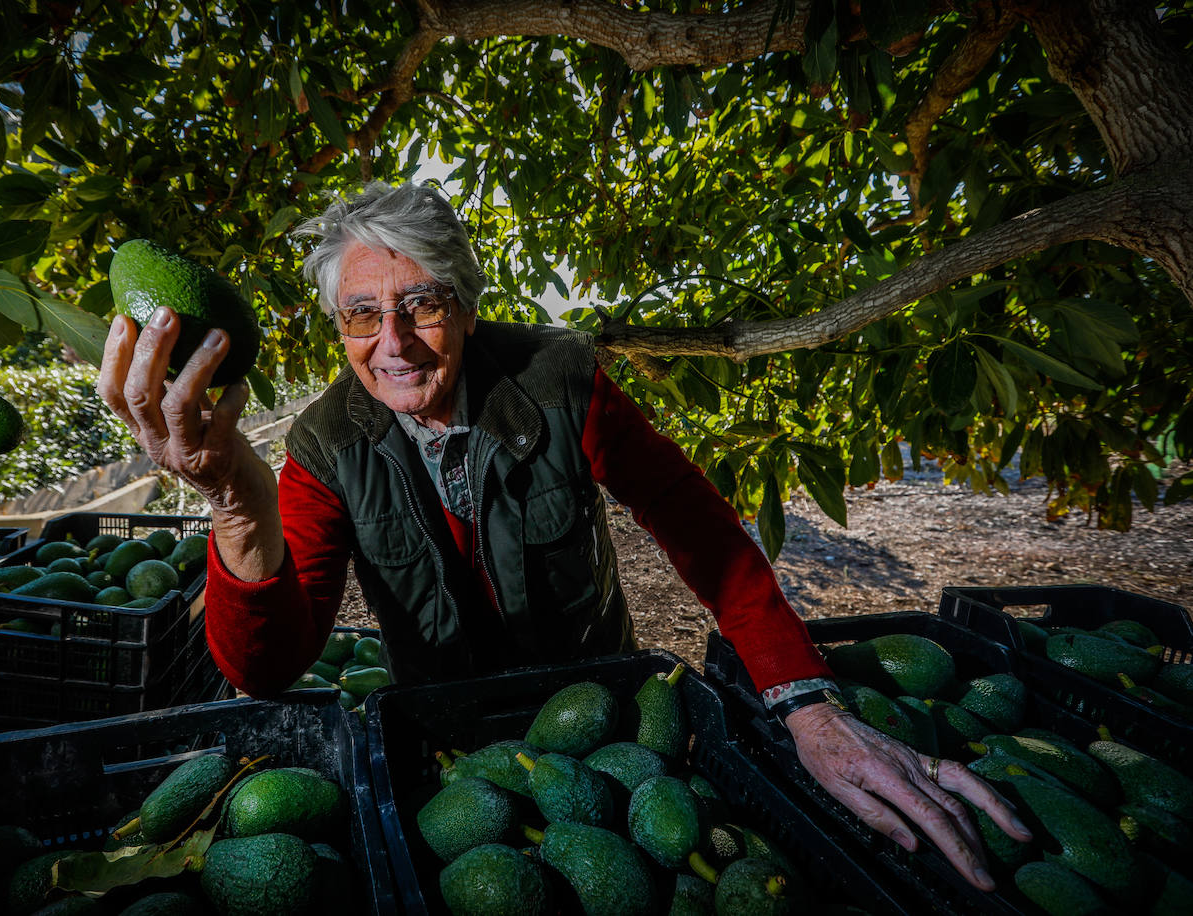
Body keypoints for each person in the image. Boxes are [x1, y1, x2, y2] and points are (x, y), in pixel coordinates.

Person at [97, 180, 1031, 891]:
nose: (396, 341)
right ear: (339, 329)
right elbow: (268, 665)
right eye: (361, 314)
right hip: (450, 743)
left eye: (421, 303)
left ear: (463, 304)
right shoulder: (326, 443)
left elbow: (703, 535)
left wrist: (807, 705)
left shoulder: (561, 376)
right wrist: (234, 504)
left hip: (605, 710)